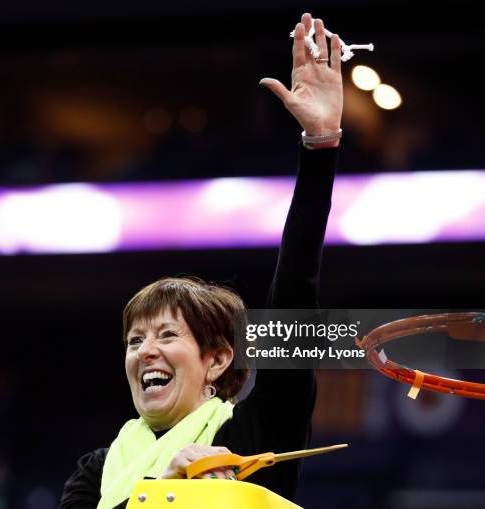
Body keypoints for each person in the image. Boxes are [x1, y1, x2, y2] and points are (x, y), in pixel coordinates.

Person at [59, 12, 343, 509]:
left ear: (218, 359)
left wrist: (320, 146)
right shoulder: (100, 469)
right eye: (135, 340)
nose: (145, 351)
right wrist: (163, 491)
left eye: (167, 335)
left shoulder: (261, 428)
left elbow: (298, 292)